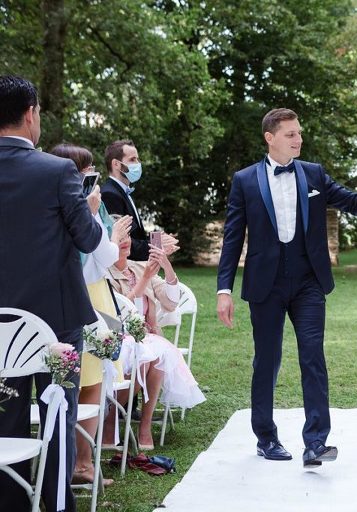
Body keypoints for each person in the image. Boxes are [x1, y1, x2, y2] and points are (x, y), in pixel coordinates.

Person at [216, 108, 357, 468]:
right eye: (290, 134)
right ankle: (266, 437)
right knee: (267, 360)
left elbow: (354, 204)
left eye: (299, 133)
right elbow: (232, 238)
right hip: (266, 285)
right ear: (270, 138)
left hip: (308, 283)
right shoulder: (245, 180)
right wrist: (223, 289)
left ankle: (316, 442)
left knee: (313, 357)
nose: (298, 139)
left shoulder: (313, 173)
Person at [0, 75, 103, 512]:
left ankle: (10, 502)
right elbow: (89, 240)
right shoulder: (57, 171)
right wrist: (89, 211)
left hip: (2, 326)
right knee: (58, 413)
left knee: (5, 416)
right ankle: (57, 503)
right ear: (30, 114)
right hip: (55, 321)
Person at [50, 143, 132, 486]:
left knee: (94, 379)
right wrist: (110, 233)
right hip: (83, 295)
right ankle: (77, 463)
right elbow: (100, 256)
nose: (92, 177)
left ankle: (81, 460)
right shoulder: (75, 206)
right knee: (84, 381)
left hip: (99, 293)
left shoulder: (87, 205)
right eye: (85, 171)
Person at [106, 238, 205, 450]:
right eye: (119, 237)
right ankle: (111, 419)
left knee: (157, 354)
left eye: (127, 236)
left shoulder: (138, 267)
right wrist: (145, 279)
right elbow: (119, 313)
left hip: (146, 338)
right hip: (117, 339)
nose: (125, 242)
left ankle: (145, 425)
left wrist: (165, 265)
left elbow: (171, 302)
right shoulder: (105, 274)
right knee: (146, 357)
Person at [101, 139, 150, 261]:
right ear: (116, 164)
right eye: (132, 159)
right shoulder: (109, 194)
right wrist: (155, 246)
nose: (138, 163)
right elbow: (123, 241)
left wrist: (158, 239)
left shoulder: (123, 191)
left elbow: (135, 234)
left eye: (137, 159)